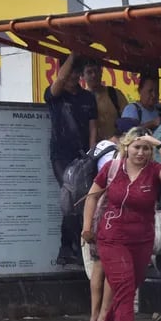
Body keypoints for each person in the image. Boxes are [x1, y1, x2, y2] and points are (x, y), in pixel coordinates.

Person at [81, 126, 161, 321]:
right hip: (111, 235)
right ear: (126, 147)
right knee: (124, 285)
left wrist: (160, 145)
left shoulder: (155, 171)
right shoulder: (112, 168)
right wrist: (87, 227)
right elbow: (92, 196)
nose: (141, 152)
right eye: (137, 147)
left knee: (130, 285)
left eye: (146, 148)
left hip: (142, 238)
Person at [84, 118, 139, 321]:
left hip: (98, 214)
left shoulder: (100, 147)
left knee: (99, 265)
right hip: (112, 217)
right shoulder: (119, 158)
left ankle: (93, 314)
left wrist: (86, 226)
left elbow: (92, 193)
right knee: (111, 267)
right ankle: (103, 315)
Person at [45, 54, 97, 265]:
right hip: (61, 157)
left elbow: (93, 126)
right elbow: (59, 81)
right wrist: (75, 53)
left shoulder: (87, 98)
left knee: (81, 201)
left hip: (83, 156)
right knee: (70, 196)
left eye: (78, 72)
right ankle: (69, 246)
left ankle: (69, 247)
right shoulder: (55, 95)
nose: (75, 76)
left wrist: (92, 153)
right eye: (72, 71)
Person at [82, 59, 129, 140]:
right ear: (82, 76)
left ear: (101, 72)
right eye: (89, 72)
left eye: (96, 71)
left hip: (116, 145)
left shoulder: (115, 94)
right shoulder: (81, 99)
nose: (94, 75)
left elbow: (127, 121)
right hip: (92, 148)